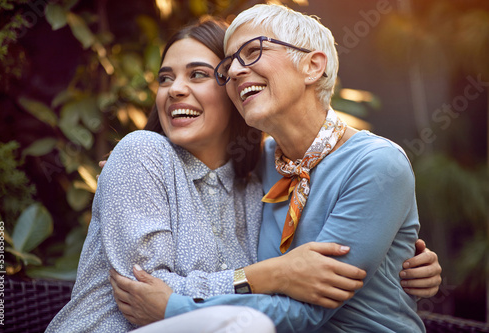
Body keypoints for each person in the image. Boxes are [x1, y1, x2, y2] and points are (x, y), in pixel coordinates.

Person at [109, 4, 442, 333]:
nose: (236, 71)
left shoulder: (377, 164)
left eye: (253, 51)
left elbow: (307, 313)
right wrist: (130, 171)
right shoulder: (262, 160)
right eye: (229, 64)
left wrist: (173, 308)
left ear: (312, 66)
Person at [46, 18, 368, 333]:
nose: (175, 90)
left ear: (236, 91)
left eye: (197, 74)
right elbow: (144, 290)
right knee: (251, 325)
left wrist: (404, 259)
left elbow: (319, 238)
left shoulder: (259, 182)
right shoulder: (141, 153)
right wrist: (270, 275)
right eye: (165, 79)